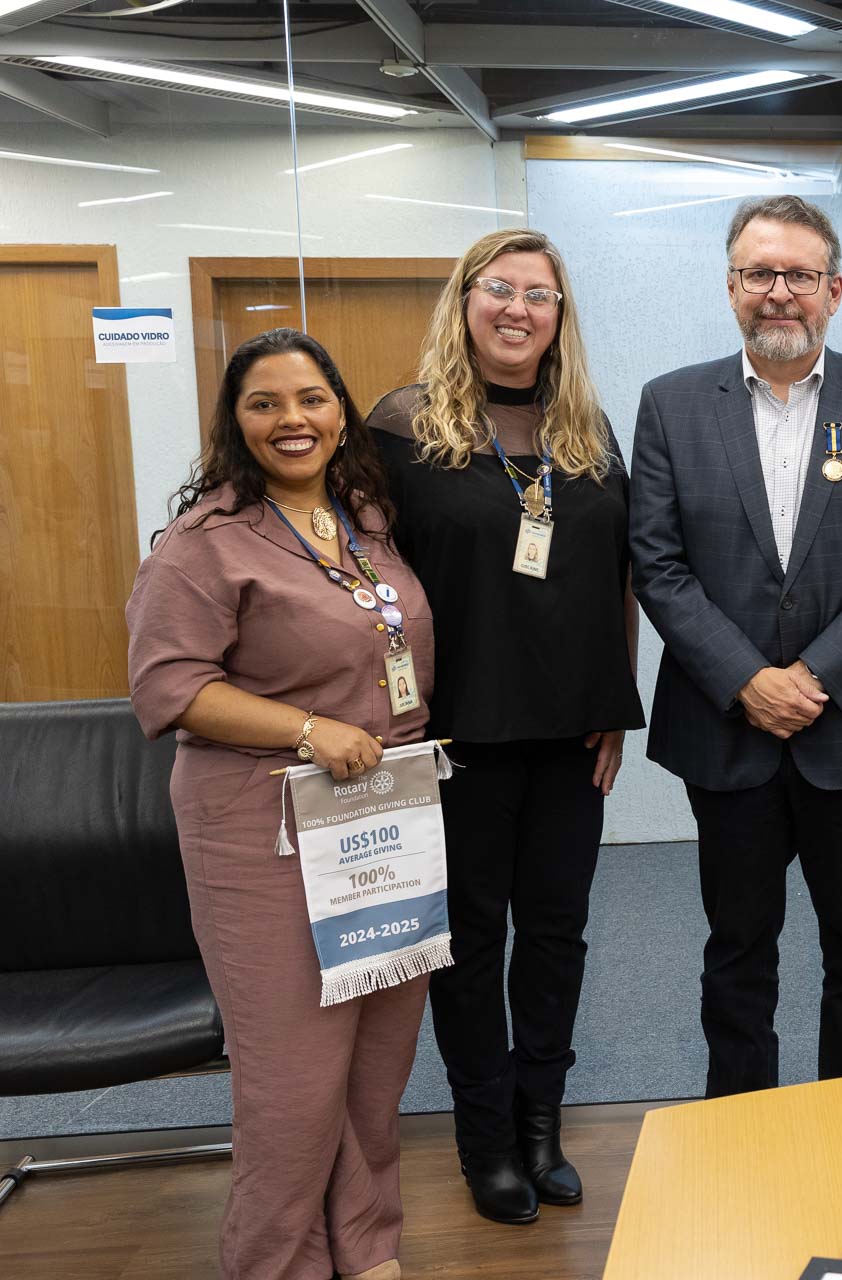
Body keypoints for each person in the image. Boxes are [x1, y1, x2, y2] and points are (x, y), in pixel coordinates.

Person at [126, 328, 435, 1280]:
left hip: (383, 821)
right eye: (264, 403)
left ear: (341, 412)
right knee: (294, 1084)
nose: (291, 420)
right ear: (236, 422)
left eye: (311, 399)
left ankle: (365, 1245)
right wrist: (308, 730)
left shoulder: (365, 519)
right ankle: (275, 1262)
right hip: (262, 830)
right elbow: (169, 687)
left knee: (377, 1065)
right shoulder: (204, 543)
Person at [631, 195, 842, 1097]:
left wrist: (814, 675)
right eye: (759, 273)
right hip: (727, 734)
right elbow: (658, 564)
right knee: (736, 950)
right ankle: (741, 1127)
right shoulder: (671, 404)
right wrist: (747, 680)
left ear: (833, 291)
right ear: (731, 287)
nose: (779, 292)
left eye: (799, 275)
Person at [367, 228, 645, 1224]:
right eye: (501, 289)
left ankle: (541, 1128)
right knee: (472, 941)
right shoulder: (402, 427)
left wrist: (616, 703)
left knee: (558, 934)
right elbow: (364, 580)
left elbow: (618, 573)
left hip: (572, 732)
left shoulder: (589, 430)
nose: (519, 309)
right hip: (458, 736)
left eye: (540, 294)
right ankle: (485, 1140)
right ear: (465, 300)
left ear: (559, 316)